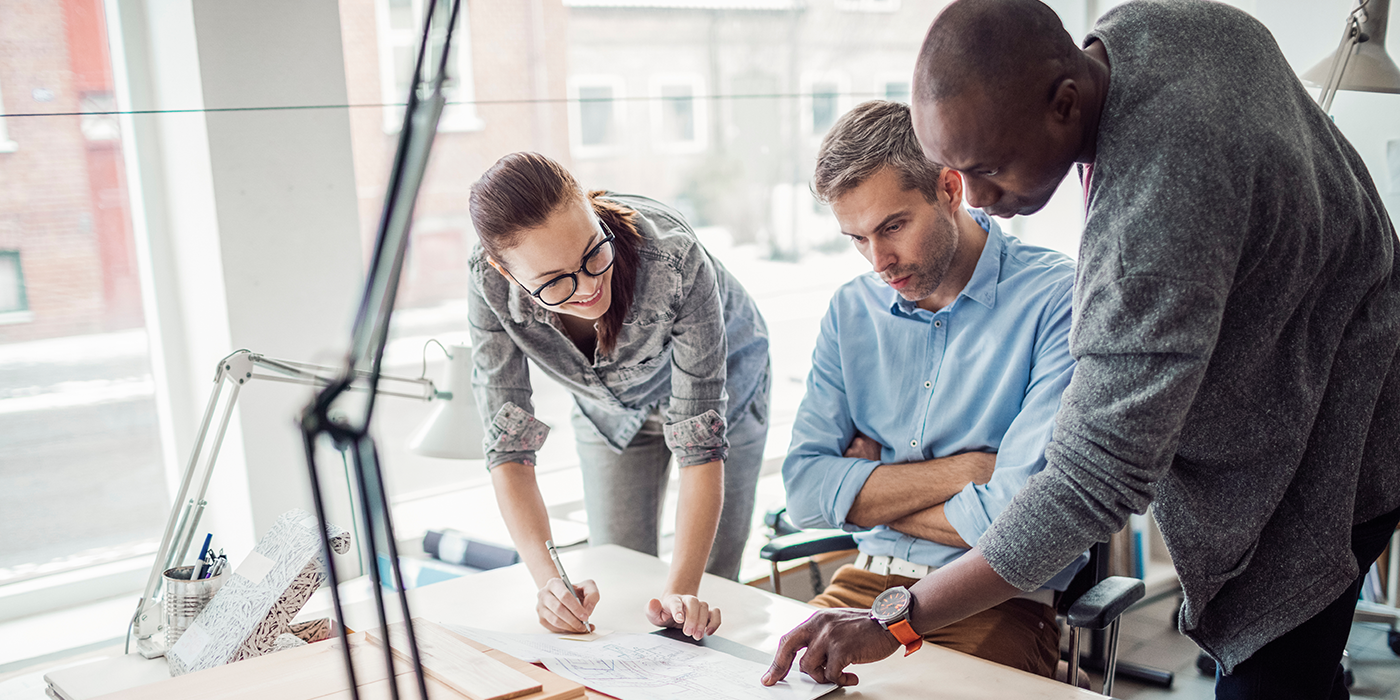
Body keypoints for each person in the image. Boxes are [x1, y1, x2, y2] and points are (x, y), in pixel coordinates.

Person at [762, 1, 1400, 697]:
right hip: (1349, 340)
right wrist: (965, 474)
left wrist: (896, 616)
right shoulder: (1157, 26)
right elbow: (807, 489)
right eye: (957, 170)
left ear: (1065, 104)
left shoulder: (1143, 241)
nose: (973, 197)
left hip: (1333, 444)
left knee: (1271, 682)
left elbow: (1088, 484)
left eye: (988, 168)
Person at [781, 99, 1084, 679]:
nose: (879, 261)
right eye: (857, 238)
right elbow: (803, 492)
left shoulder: (1058, 300)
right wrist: (968, 472)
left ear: (949, 188)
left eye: (893, 226)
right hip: (857, 588)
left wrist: (866, 496)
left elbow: (1017, 524)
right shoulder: (852, 310)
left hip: (998, 600)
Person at [467, 152, 770, 640]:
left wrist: (681, 593)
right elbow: (509, 450)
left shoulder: (674, 258)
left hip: (723, 392)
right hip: (607, 409)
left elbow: (700, 450)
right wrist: (551, 587)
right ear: (507, 274)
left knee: (704, 594)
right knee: (619, 575)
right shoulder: (487, 284)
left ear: (590, 208)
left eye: (593, 254)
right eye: (555, 282)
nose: (588, 288)